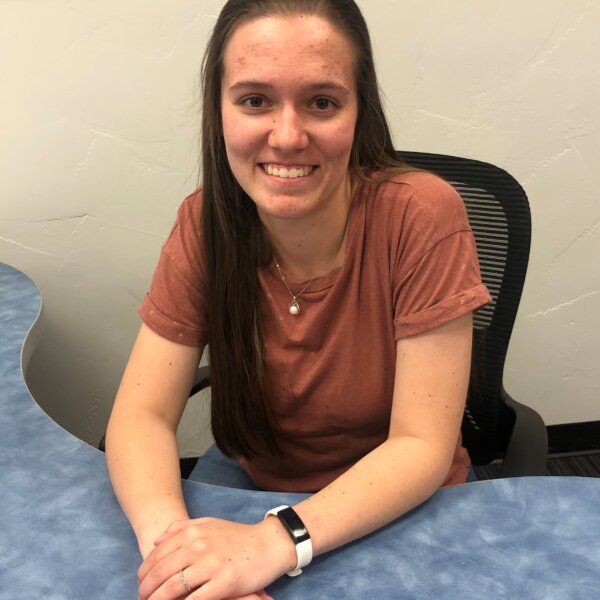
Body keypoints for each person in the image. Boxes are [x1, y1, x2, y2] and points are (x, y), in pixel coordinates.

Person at [105, 1, 491, 598]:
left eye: (322, 102)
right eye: (255, 100)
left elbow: (421, 446)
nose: (287, 137)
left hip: (398, 498)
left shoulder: (422, 215)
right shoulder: (204, 224)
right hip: (254, 479)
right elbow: (141, 416)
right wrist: (178, 557)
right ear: (219, 111)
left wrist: (273, 542)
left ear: (360, 113)